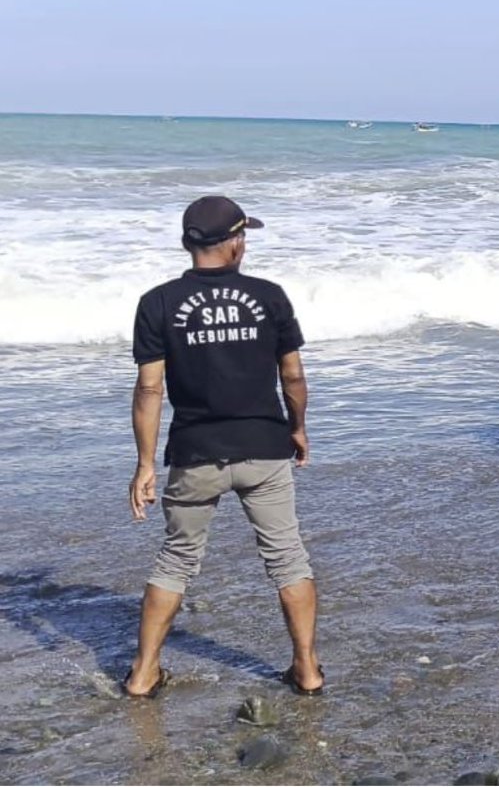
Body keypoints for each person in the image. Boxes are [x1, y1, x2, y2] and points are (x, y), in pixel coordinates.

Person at [127, 195, 322, 698]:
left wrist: (144, 464)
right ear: (234, 242)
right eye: (244, 236)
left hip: (196, 453)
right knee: (287, 558)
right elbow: (293, 375)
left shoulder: (158, 303)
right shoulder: (270, 296)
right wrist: (297, 427)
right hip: (264, 447)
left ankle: (144, 673)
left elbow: (150, 389)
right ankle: (306, 669)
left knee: (175, 560)